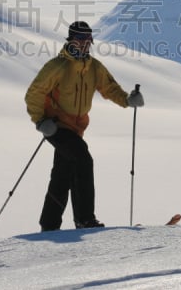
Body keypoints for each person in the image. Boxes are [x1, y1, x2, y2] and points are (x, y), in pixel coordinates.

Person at [25, 21, 144, 231]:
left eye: (88, 40)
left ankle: (49, 224)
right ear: (71, 40)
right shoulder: (57, 66)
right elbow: (34, 93)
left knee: (64, 171)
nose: (85, 44)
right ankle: (85, 219)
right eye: (80, 39)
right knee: (82, 159)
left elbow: (110, 88)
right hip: (56, 126)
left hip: (77, 128)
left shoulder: (93, 67)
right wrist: (40, 121)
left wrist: (127, 100)